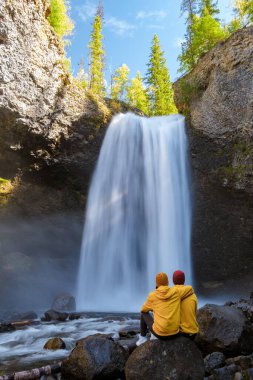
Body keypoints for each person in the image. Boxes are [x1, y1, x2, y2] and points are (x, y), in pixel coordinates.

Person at [136, 272, 194, 346]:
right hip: (174, 333)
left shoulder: (153, 296)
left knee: (143, 314)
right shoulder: (176, 292)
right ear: (168, 282)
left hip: (160, 334)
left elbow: (143, 310)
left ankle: (142, 338)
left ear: (156, 283)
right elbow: (190, 289)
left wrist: (154, 307)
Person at [172, 270, 199, 339]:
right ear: (184, 280)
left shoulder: (170, 295)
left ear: (173, 281)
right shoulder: (193, 295)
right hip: (193, 332)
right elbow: (194, 313)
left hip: (180, 333)